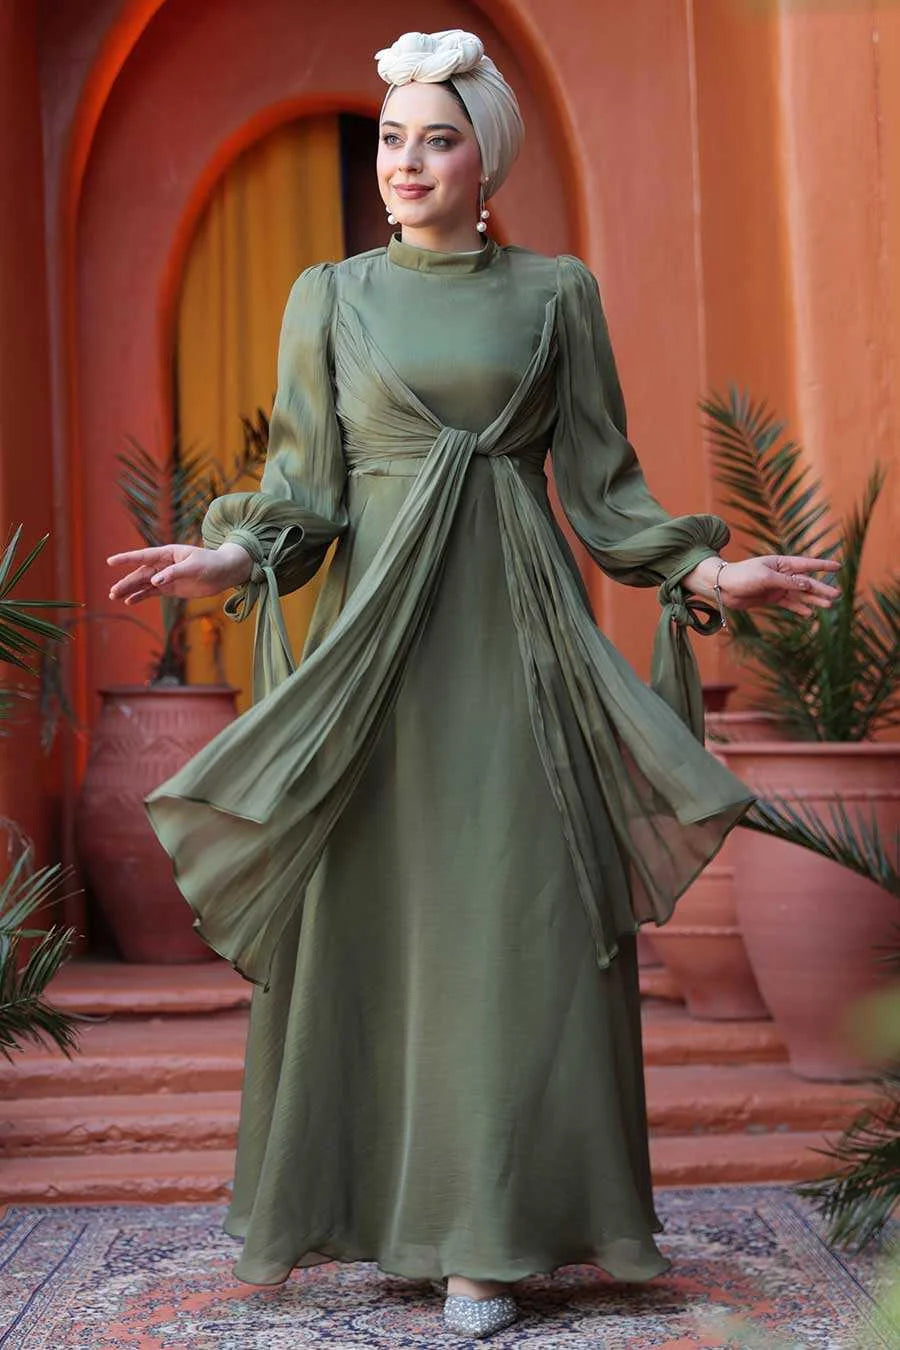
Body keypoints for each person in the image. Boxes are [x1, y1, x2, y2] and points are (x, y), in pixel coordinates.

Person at [107, 29, 840, 1341]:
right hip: (377, 660)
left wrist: (709, 574)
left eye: (436, 137)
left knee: (512, 925)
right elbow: (304, 498)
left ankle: (491, 1241)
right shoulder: (325, 297)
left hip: (517, 648)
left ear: (482, 157)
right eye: (391, 137)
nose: (405, 160)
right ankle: (392, 1214)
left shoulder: (557, 295)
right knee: (376, 919)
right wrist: (220, 552)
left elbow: (607, 493)